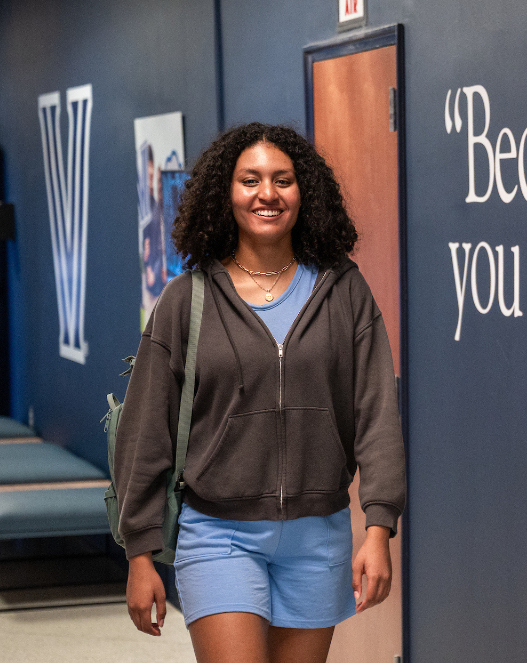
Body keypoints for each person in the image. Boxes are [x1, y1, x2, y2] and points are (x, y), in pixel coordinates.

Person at [114, 122, 406, 663]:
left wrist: (379, 527)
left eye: (282, 180)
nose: (267, 194)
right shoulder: (188, 299)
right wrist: (139, 552)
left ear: (305, 193)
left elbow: (377, 413)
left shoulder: (344, 291)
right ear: (225, 194)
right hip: (218, 532)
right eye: (250, 180)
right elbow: (145, 428)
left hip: (318, 535)